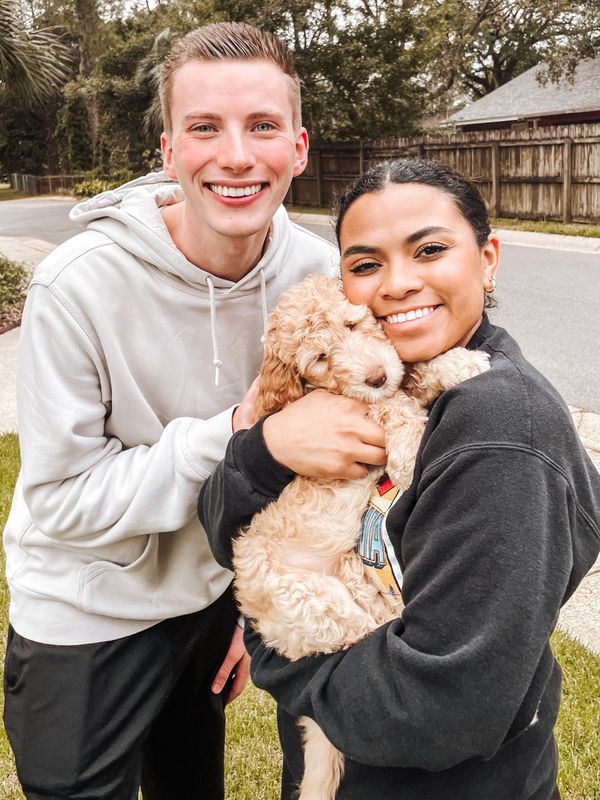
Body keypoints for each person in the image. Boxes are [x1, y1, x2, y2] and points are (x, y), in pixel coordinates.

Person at [1, 21, 386, 800]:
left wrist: (247, 600)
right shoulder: (77, 286)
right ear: (169, 151)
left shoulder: (318, 276)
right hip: (84, 610)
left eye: (263, 127)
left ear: (300, 148)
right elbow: (62, 501)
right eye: (205, 127)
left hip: (208, 598)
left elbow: (309, 474)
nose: (237, 156)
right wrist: (242, 437)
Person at [198, 157, 600, 800]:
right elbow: (221, 522)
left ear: (488, 257)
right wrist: (268, 450)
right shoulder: (348, 391)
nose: (397, 284)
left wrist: (276, 651)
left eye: (430, 249)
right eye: (364, 265)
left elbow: (443, 711)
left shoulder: (498, 430)